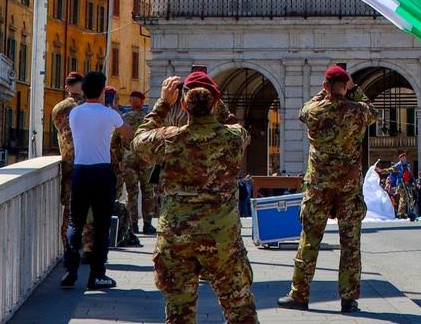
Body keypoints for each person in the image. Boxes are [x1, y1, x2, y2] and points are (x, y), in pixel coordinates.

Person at [133, 71, 258, 324]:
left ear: (183, 105)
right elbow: (238, 127)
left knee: (179, 312)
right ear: (215, 103)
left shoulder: (169, 138)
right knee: (240, 310)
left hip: (177, 238)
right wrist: (216, 102)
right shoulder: (233, 138)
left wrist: (163, 104)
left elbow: (138, 141)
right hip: (222, 238)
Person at [279, 64, 375, 314]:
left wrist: (325, 93)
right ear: (346, 86)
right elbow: (373, 110)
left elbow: (303, 111)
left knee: (309, 241)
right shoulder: (358, 111)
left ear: (325, 86)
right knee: (350, 244)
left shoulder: (314, 111)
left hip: (319, 187)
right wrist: (355, 90)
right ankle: (348, 299)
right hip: (348, 188)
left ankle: (299, 294)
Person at [62, 70, 132, 290]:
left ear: (83, 90)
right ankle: (97, 275)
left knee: (75, 222)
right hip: (102, 172)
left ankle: (71, 270)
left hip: (80, 171)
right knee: (102, 226)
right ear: (103, 91)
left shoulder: (75, 113)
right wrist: (114, 111)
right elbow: (128, 133)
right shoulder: (109, 114)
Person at [51, 71, 84, 254]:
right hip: (87, 163)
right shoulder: (88, 107)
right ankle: (86, 247)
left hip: (68, 164)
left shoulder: (59, 108)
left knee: (70, 212)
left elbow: (59, 129)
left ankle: (68, 249)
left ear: (66, 87)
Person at [117, 90, 148, 246]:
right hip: (146, 157)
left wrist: (118, 158)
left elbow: (115, 140)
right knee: (148, 191)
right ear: (142, 101)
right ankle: (148, 224)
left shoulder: (124, 118)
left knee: (132, 192)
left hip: (129, 157)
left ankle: (133, 223)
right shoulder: (148, 118)